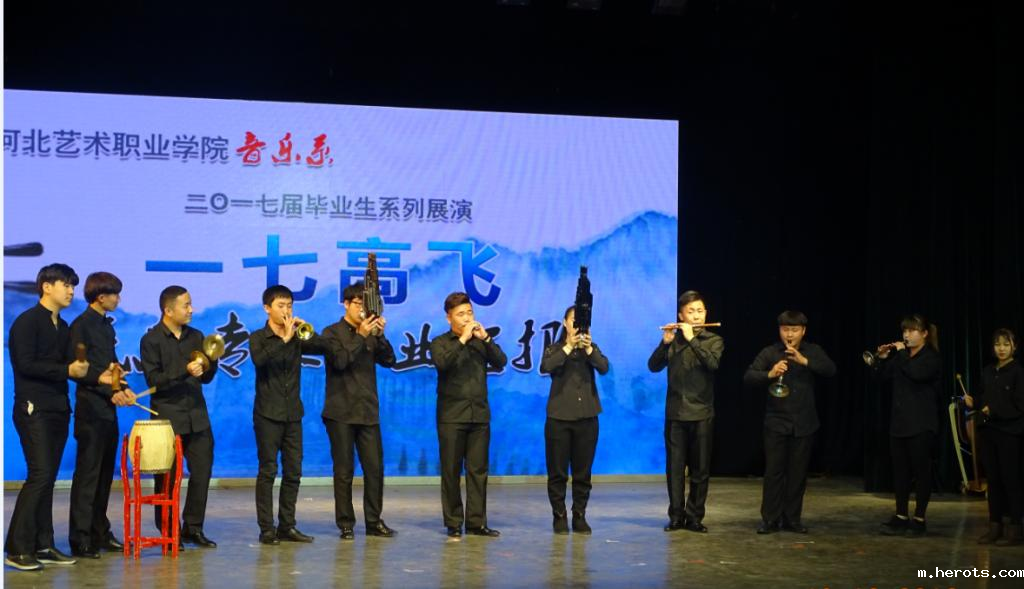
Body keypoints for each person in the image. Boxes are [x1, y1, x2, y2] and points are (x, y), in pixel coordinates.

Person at [5, 264, 94, 571]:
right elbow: (25, 364)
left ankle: (43, 544)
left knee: (48, 478)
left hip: (58, 408)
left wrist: (100, 375)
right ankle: (17, 549)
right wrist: (66, 370)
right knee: (40, 475)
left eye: (72, 286)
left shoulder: (63, 326)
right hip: (34, 408)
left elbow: (74, 367)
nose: (71, 291)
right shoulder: (27, 322)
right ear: (46, 287)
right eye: (65, 285)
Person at [139, 285, 219, 547]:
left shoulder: (196, 336)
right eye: (186, 305)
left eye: (191, 304)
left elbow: (206, 377)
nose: (191, 310)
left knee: (202, 473)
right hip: (167, 420)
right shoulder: (151, 340)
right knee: (167, 478)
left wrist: (211, 361)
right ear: (168, 310)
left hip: (197, 416)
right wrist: (185, 371)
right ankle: (168, 531)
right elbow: (154, 380)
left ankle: (193, 527)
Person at [743, 310, 836, 534]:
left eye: (794, 330)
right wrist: (770, 374)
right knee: (774, 472)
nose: (790, 335)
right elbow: (749, 376)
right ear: (780, 330)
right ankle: (770, 519)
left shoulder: (813, 351)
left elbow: (831, 370)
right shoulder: (770, 352)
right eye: (785, 330)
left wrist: (805, 361)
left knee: (797, 474)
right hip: (776, 422)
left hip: (804, 423)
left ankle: (792, 519)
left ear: (803, 331)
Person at [248, 285, 327, 545]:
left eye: (289, 306)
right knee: (268, 472)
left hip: (293, 414)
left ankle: (287, 526)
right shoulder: (258, 337)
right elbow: (260, 360)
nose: (286, 311)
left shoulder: (297, 335)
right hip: (267, 414)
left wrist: (306, 330)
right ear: (267, 308)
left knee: (293, 472)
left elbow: (323, 346)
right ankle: (266, 529)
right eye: (281, 306)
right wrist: (284, 340)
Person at [320, 282, 398, 540]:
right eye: (358, 304)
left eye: (367, 305)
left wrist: (380, 336)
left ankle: (374, 521)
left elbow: (390, 360)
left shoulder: (371, 332)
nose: (363, 310)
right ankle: (345, 523)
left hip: (367, 411)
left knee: (374, 469)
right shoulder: (331, 333)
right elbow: (340, 362)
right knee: (344, 471)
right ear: (346, 304)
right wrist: (361, 336)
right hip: (340, 412)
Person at [67, 272, 135, 558]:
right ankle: (80, 537)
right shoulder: (80, 326)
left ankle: (100, 531)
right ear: (100, 296)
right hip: (90, 410)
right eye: (114, 294)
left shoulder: (106, 326)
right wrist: (110, 390)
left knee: (106, 474)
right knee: (88, 476)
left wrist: (124, 387)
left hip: (108, 411)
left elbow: (112, 364)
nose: (118, 299)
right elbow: (79, 370)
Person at [429, 292, 507, 538]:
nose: (467, 318)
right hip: (451, 417)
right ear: (449, 318)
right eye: (461, 314)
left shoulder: (480, 341)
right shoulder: (440, 342)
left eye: (469, 313)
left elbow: (501, 361)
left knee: (478, 472)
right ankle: (453, 522)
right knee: (451, 471)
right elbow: (443, 363)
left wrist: (486, 338)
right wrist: (462, 339)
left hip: (479, 416)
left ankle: (476, 522)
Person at [648, 290, 723, 533]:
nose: (696, 316)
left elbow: (712, 364)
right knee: (675, 469)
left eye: (700, 311)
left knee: (700, 470)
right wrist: (665, 343)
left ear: (706, 313)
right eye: (691, 312)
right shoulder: (674, 340)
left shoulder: (713, 340)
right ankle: (676, 516)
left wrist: (692, 339)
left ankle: (695, 518)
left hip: (702, 413)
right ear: (681, 315)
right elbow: (653, 366)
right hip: (675, 414)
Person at [540, 305, 609, 535]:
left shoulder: (591, 348)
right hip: (559, 419)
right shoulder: (554, 348)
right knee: (557, 473)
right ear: (565, 322)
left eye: (583, 322)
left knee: (583, 473)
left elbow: (604, 367)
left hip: (587, 418)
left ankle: (580, 515)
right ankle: (559, 516)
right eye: (574, 321)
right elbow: (546, 366)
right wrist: (569, 346)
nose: (579, 326)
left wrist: (588, 349)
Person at [873, 314, 941, 537]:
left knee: (921, 472)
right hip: (899, 423)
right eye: (905, 331)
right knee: (900, 472)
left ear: (924, 334)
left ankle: (919, 519)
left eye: (912, 331)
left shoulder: (931, 358)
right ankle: (901, 515)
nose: (906, 335)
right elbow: (882, 379)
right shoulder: (901, 358)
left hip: (921, 423)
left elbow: (916, 374)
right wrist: (882, 359)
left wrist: (901, 353)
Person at [966, 328, 1024, 545]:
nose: (1001, 348)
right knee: (993, 481)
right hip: (988, 432)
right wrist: (974, 403)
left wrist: (994, 410)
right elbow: (982, 399)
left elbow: (1019, 405)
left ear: (1014, 347)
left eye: (1006, 344)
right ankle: (994, 526)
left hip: (1009, 433)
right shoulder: (988, 371)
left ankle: (1016, 529)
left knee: (1011, 480)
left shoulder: (1018, 372)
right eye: (998, 344)